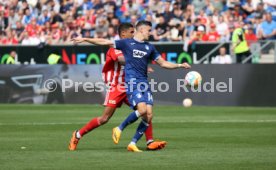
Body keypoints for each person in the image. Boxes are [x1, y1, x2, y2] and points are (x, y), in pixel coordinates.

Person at [72, 20, 191, 152]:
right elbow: (122, 59)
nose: (133, 34)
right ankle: (77, 135)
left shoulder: (143, 46)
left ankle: (149, 141)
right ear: (123, 34)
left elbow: (159, 62)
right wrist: (85, 39)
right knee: (104, 118)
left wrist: (177, 65)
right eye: (131, 32)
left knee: (146, 112)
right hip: (117, 86)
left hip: (132, 84)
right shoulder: (117, 47)